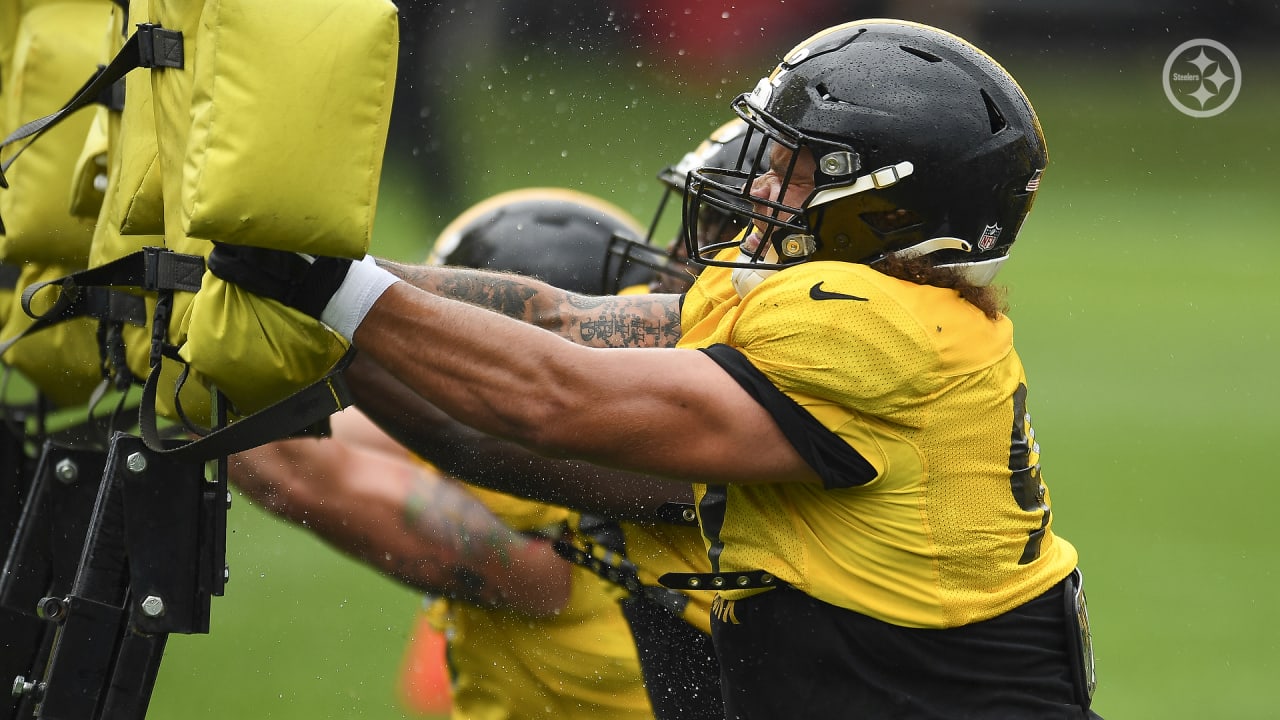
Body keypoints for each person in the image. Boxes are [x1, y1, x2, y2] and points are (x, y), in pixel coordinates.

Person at [211, 18, 1099, 719]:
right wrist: (306, 267)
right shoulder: (879, 310)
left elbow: (550, 398)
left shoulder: (871, 326)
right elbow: (566, 322)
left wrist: (323, 287)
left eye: (793, 171)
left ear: (886, 202)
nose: (759, 192)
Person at [230, 188, 664, 720]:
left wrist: (211, 337)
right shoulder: (649, 465)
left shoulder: (552, 547)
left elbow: (290, 470)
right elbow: (362, 428)